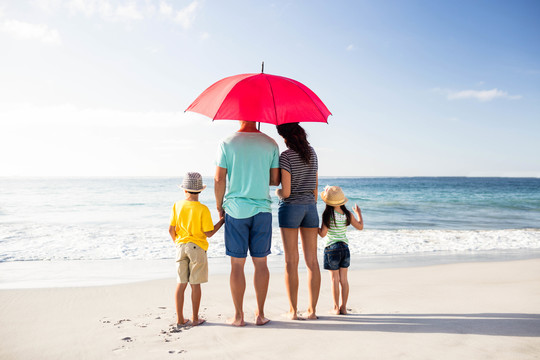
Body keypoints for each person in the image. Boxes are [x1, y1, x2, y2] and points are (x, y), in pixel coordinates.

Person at [214, 121, 280, 327]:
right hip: (262, 210)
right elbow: (274, 180)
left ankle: (238, 316)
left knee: (237, 264)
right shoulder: (271, 144)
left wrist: (219, 206)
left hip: (236, 210)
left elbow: (219, 179)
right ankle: (260, 314)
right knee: (261, 263)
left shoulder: (227, 142)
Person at [275, 122, 321, 320]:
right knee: (312, 261)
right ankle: (312, 311)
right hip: (310, 207)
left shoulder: (286, 156)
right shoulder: (312, 153)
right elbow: (315, 189)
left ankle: (293, 311)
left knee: (291, 261)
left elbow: (285, 192)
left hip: (291, 208)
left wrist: (276, 192)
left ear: (285, 137)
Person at [169, 172, 224, 327]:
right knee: (195, 284)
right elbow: (209, 233)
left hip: (181, 246)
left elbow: (171, 230)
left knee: (181, 283)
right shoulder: (203, 209)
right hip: (197, 248)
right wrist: (222, 221)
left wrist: (178, 244)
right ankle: (194, 318)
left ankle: (180, 319)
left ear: (184, 190)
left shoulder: (177, 205)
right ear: (200, 190)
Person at [318, 185, 363, 315]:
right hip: (345, 248)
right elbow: (360, 227)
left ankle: (336, 308)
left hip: (332, 249)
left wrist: (313, 227)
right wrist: (358, 214)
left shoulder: (327, 214)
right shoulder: (348, 214)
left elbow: (322, 234)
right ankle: (344, 307)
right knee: (344, 280)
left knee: (334, 280)